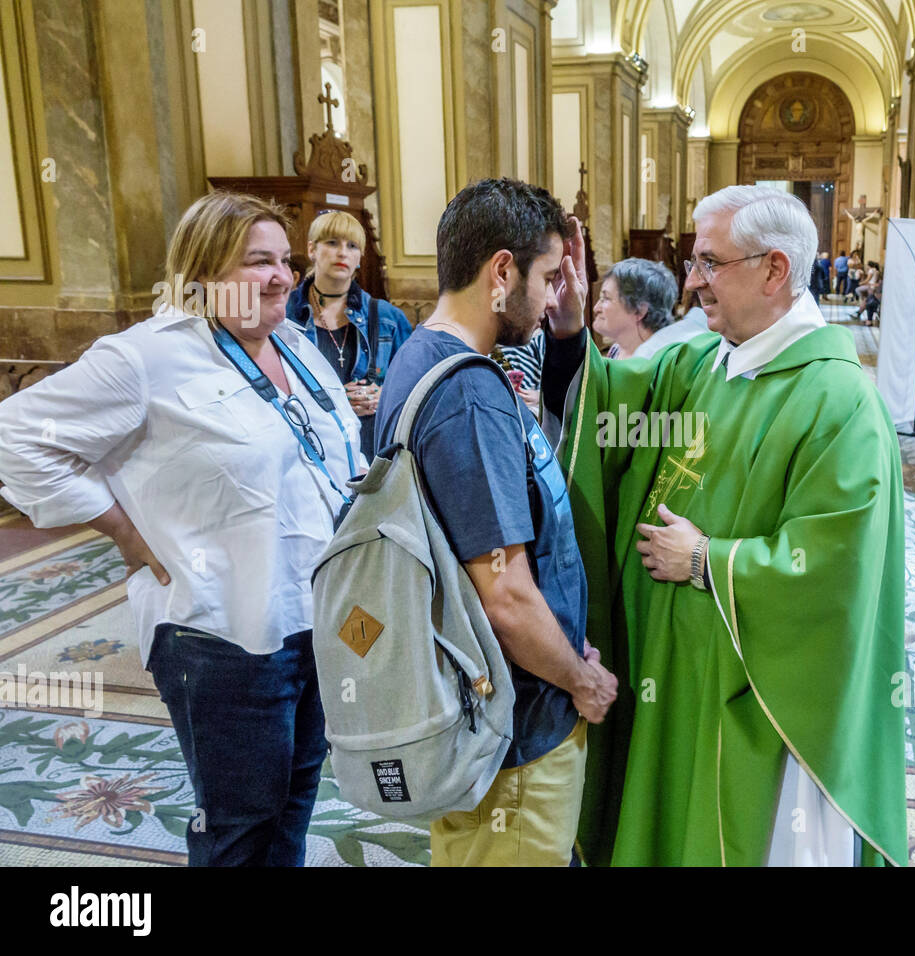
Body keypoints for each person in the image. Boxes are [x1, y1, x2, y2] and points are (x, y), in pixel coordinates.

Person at [542, 184, 907, 867]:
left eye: (710, 263)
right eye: (692, 261)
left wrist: (708, 560)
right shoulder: (698, 363)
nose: (692, 282)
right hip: (668, 669)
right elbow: (607, 421)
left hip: (751, 697)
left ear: (775, 270)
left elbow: (837, 564)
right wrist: (567, 330)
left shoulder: (839, 399)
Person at [0, 192, 361, 866]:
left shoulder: (297, 345)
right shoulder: (145, 359)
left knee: (294, 802)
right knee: (237, 823)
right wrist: (123, 531)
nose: (283, 275)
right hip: (219, 632)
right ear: (202, 273)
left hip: (314, 616)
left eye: (285, 259)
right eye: (259, 261)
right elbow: (15, 437)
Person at [374, 178, 618, 867]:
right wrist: (580, 679)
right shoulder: (471, 396)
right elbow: (504, 595)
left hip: (491, 709)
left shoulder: (424, 355)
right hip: (516, 730)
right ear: (501, 272)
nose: (551, 298)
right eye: (545, 278)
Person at [286, 210, 412, 458]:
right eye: (332, 243)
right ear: (312, 249)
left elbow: (414, 386)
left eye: (352, 245)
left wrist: (385, 395)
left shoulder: (389, 318)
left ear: (360, 257)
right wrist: (336, 400)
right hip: (308, 450)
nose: (342, 252)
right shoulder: (285, 313)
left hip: (373, 453)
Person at [595, 258, 713, 360]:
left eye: (606, 298)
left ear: (639, 310)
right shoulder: (616, 350)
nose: (596, 308)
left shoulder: (665, 360)